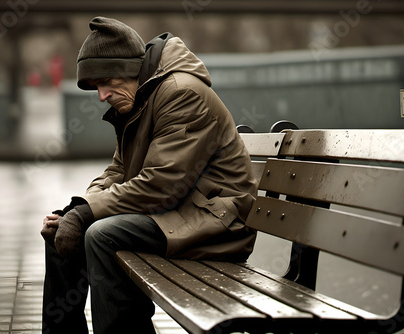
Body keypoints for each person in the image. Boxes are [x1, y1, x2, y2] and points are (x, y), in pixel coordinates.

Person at [40, 17, 257, 334]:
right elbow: (118, 170)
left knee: (101, 234)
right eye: (96, 86)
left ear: (128, 68)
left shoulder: (182, 94)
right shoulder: (140, 100)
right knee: (60, 237)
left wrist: (87, 214)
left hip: (215, 223)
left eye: (105, 82)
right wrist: (76, 209)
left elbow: (162, 185)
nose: (101, 96)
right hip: (178, 215)